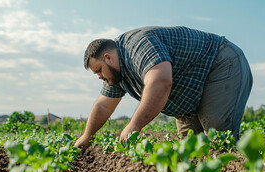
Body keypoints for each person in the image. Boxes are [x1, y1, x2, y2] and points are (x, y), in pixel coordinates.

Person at [74, 26, 252, 151]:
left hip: (220, 63)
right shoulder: (116, 75)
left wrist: (134, 125)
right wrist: (87, 135)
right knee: (192, 150)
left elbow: (160, 82)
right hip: (189, 97)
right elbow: (104, 105)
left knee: (218, 135)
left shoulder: (137, 46)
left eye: (99, 70)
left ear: (108, 58)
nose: (100, 77)